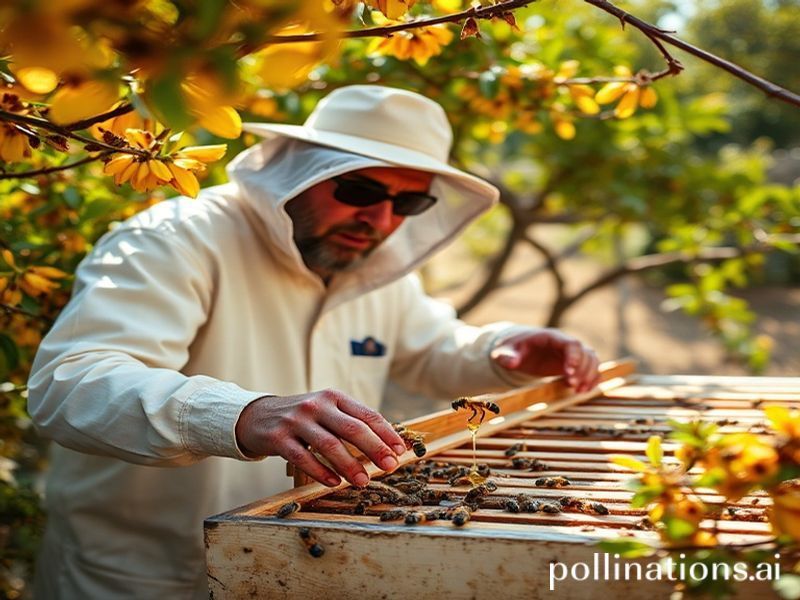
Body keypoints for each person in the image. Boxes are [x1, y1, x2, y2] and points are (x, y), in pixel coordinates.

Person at [27, 85, 600, 599]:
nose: (379, 218)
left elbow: (430, 347)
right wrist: (240, 414)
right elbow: (70, 382)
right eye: (358, 188)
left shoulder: (375, 267)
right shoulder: (176, 238)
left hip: (301, 565)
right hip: (145, 576)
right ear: (299, 168)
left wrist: (502, 350)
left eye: (408, 203)